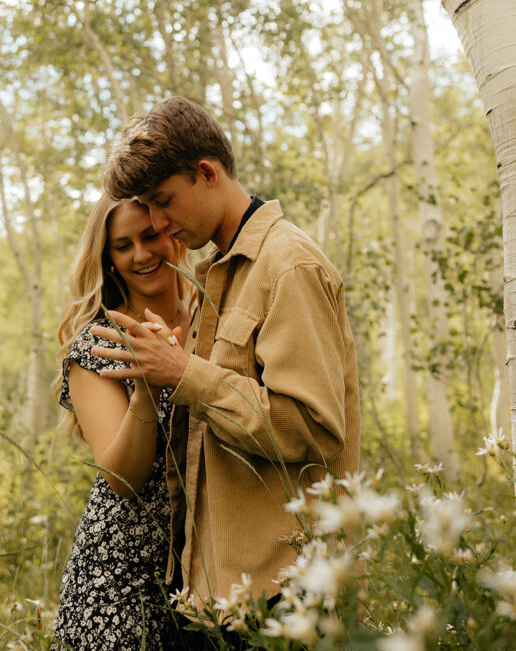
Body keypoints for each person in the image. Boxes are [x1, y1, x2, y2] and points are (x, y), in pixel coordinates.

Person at [90, 96, 361, 611]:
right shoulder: (214, 274)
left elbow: (313, 428)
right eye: (146, 208)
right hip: (221, 591)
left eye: (162, 201)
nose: (157, 223)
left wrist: (182, 372)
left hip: (290, 590)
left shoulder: (287, 266)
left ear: (207, 173)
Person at [44, 193, 194, 651]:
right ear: (107, 257)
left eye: (149, 236)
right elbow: (121, 478)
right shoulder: (99, 345)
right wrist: (146, 393)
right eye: (122, 245)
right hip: (119, 582)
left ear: (174, 231)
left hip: (200, 578)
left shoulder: (213, 316)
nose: (141, 255)